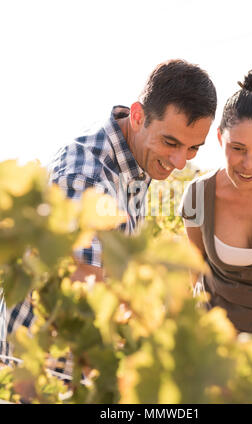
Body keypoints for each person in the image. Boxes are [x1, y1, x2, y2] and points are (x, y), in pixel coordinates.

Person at [1, 59, 217, 373]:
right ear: (139, 115)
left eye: (193, 148)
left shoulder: (136, 158)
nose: (180, 161)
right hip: (47, 373)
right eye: (171, 142)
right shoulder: (85, 177)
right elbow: (84, 297)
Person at [180, 70, 252, 335]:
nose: (248, 165)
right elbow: (195, 274)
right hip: (215, 349)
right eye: (237, 148)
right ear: (221, 138)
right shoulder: (198, 195)